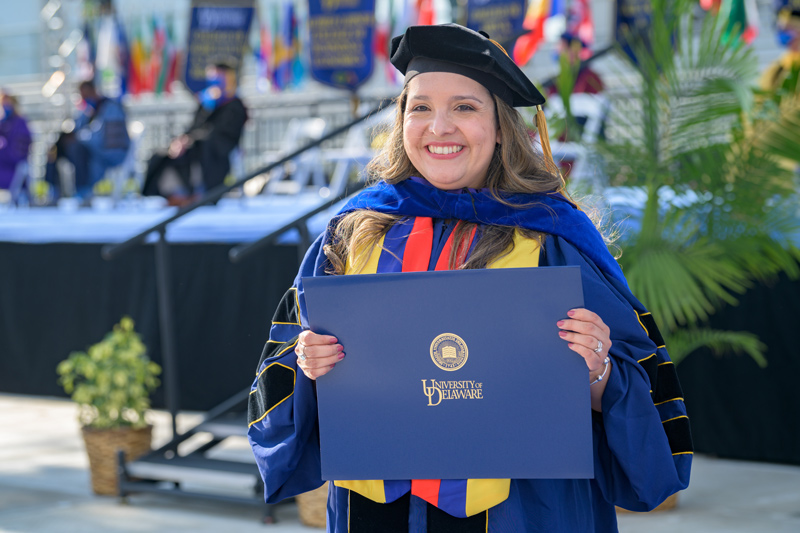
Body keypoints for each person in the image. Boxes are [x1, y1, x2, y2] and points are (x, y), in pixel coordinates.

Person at [247, 24, 692, 532]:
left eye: (464, 107)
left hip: (521, 510)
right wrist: (308, 362)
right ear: (400, 121)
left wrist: (597, 371)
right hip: (375, 509)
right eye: (420, 107)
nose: (439, 127)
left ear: (501, 126)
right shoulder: (353, 234)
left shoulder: (552, 237)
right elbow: (284, 366)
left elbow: (639, 388)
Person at [141, 62, 247, 203]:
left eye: (219, 77)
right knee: (163, 154)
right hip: (197, 141)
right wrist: (181, 140)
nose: (214, 81)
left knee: (197, 151)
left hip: (216, 147)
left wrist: (191, 140)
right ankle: (174, 193)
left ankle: (197, 192)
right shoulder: (207, 102)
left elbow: (223, 132)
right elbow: (194, 127)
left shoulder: (234, 104)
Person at [44, 80, 130, 200]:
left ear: (94, 91)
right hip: (91, 152)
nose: (85, 98)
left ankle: (82, 191)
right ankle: (53, 190)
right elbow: (78, 128)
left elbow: (105, 140)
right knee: (57, 146)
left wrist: (79, 138)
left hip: (108, 154)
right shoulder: (89, 110)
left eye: (87, 95)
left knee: (76, 148)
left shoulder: (111, 108)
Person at [0, 90, 32, 192]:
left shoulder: (20, 123)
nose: (5, 106)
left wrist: (5, 153)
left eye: (7, 103)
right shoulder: (3, 123)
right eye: (3, 103)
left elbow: (20, 150)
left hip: (12, 166)